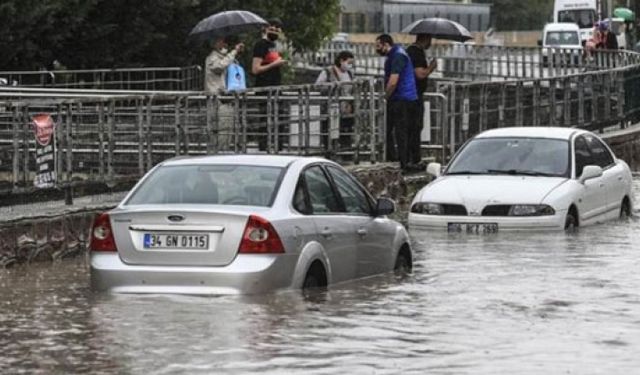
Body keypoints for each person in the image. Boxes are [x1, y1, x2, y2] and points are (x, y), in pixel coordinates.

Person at [375, 34, 417, 171]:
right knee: (390, 130)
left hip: (401, 99)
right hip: (401, 98)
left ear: (386, 44)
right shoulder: (395, 55)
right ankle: (394, 159)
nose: (377, 49)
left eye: (378, 45)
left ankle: (401, 162)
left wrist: (385, 97)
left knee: (399, 132)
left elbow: (393, 81)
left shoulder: (398, 55)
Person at [204, 36, 244, 151]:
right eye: (221, 41)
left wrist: (233, 54)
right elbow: (220, 66)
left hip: (222, 98)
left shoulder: (220, 56)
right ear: (215, 43)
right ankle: (218, 151)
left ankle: (222, 149)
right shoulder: (212, 58)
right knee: (219, 128)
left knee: (226, 128)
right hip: (217, 99)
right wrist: (233, 52)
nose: (224, 43)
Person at [406, 34, 437, 170]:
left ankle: (412, 158)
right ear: (426, 39)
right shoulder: (415, 53)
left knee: (415, 127)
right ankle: (413, 159)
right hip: (414, 96)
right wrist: (431, 67)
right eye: (430, 39)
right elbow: (420, 74)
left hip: (412, 94)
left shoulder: (413, 52)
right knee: (415, 127)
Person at [315, 50, 355, 153]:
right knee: (329, 132)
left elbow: (352, 89)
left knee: (345, 132)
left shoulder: (349, 74)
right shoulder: (328, 71)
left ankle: (346, 153)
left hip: (345, 109)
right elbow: (317, 86)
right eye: (349, 63)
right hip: (329, 108)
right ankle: (329, 152)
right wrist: (331, 86)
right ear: (342, 60)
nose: (350, 66)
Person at [252, 18, 287, 87]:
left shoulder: (274, 45)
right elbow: (255, 70)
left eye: (277, 29)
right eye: (271, 29)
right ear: (266, 29)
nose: (274, 31)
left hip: (275, 86)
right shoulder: (261, 44)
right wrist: (274, 64)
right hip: (264, 87)